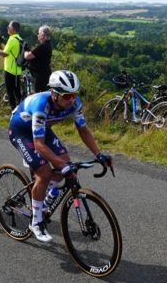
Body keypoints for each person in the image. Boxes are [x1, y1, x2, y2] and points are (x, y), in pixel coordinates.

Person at [7, 70, 112, 242]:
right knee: (44, 173)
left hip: (42, 129)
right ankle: (36, 221)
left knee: (67, 166)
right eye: (67, 96)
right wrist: (60, 166)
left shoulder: (75, 103)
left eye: (74, 95)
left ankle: (45, 204)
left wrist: (99, 154)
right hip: (21, 131)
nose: (71, 100)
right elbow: (39, 145)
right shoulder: (42, 105)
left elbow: (83, 130)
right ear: (54, 93)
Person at [0, 20, 26, 108]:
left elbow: (4, 54)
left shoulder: (12, 40)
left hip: (10, 70)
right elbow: (9, 50)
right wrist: (1, 41)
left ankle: (13, 111)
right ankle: (20, 109)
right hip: (17, 70)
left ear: (13, 29)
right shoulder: (19, 39)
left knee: (10, 91)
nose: (7, 28)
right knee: (17, 91)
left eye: (9, 27)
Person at [25, 25, 53, 92]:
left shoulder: (42, 46)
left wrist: (25, 51)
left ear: (43, 35)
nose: (37, 35)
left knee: (37, 95)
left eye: (38, 33)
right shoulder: (48, 44)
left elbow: (27, 56)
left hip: (39, 76)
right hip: (44, 74)